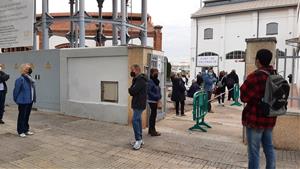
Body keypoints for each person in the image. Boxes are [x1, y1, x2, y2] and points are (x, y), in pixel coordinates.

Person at [240, 49, 277, 169]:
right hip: (270, 118)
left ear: (257, 61)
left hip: (255, 119)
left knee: (254, 152)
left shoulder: (254, 77)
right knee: (269, 148)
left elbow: (243, 97)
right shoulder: (275, 75)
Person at [13, 63, 36, 138]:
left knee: (27, 116)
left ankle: (26, 129)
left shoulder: (30, 78)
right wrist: (16, 99)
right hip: (23, 101)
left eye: (29, 68)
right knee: (22, 116)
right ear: (24, 70)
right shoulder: (20, 79)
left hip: (30, 100)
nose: (29, 69)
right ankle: (20, 131)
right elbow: (16, 91)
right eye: (28, 68)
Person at [128, 64, 147, 150]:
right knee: (138, 120)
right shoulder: (136, 79)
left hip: (139, 103)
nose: (131, 72)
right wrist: (131, 88)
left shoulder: (140, 80)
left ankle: (138, 140)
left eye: (132, 70)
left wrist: (130, 89)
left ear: (136, 70)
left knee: (134, 120)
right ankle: (140, 139)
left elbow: (133, 91)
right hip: (138, 103)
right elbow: (133, 90)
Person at [147, 68, 162, 136]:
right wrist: (156, 97)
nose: (157, 73)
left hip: (155, 100)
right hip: (152, 100)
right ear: (152, 73)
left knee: (153, 115)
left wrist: (159, 96)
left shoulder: (156, 81)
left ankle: (151, 130)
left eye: (157, 72)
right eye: (156, 72)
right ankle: (153, 131)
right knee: (153, 116)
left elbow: (158, 90)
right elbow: (149, 91)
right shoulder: (150, 81)